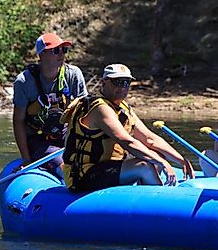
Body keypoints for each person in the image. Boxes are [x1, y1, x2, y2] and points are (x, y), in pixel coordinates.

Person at [61, 64, 195, 192]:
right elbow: (127, 141)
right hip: (82, 176)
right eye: (118, 82)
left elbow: (149, 139)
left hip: (107, 168)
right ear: (103, 82)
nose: (123, 87)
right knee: (145, 166)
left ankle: (144, 201)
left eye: (126, 83)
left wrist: (181, 160)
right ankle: (161, 205)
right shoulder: (99, 108)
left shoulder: (123, 107)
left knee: (154, 156)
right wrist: (162, 162)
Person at [12, 32, 87, 171]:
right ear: (41, 55)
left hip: (64, 132)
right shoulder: (24, 82)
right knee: (63, 164)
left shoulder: (73, 75)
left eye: (64, 50)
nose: (61, 54)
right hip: (37, 138)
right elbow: (18, 121)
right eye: (56, 50)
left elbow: (85, 113)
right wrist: (26, 159)